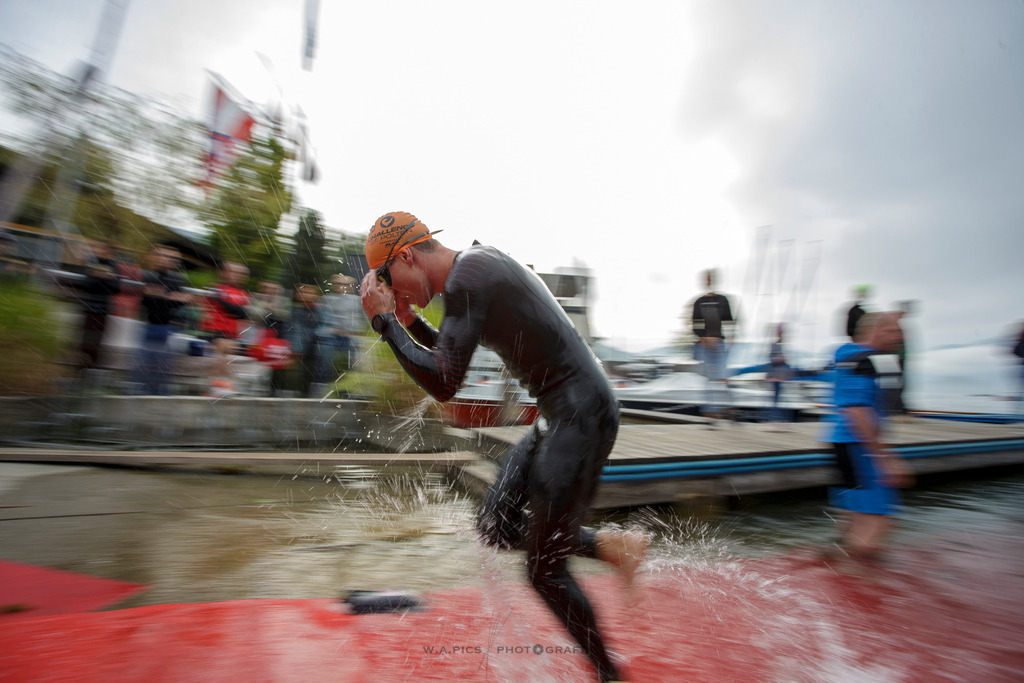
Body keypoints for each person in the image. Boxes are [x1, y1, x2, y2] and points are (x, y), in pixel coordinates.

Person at [359, 211, 645, 683]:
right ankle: (611, 546)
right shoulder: (471, 274)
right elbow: (452, 356)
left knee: (544, 571)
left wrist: (386, 322)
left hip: (582, 416)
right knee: (493, 526)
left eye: (389, 282)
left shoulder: (471, 274)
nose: (395, 294)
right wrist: (407, 322)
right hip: (559, 416)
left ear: (406, 257)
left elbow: (445, 382)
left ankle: (611, 676)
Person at [822, 312, 915, 561]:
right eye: (893, 331)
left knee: (853, 518)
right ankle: (853, 575)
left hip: (840, 443)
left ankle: (836, 566)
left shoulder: (845, 356)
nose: (899, 337)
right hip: (858, 447)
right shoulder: (865, 361)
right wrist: (885, 458)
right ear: (874, 330)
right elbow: (857, 411)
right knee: (877, 522)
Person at [135, 244, 190, 395]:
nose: (166, 260)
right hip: (147, 324)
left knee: (163, 366)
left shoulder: (177, 279)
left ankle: (157, 394)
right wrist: (170, 297)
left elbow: (182, 301)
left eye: (172, 258)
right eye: (163, 256)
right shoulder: (145, 274)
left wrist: (162, 295)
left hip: (168, 327)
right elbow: (147, 297)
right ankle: (141, 392)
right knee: (145, 363)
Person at [691, 268, 736, 424]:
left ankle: (726, 407)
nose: (709, 281)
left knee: (722, 375)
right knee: (709, 379)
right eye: (707, 278)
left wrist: (732, 337)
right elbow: (696, 324)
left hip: (719, 343)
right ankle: (710, 411)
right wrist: (703, 338)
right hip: (704, 345)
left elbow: (728, 320)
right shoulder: (699, 302)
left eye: (711, 278)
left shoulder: (722, 300)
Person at [201, 261, 252, 397]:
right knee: (222, 348)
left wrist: (221, 302)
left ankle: (223, 384)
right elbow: (207, 310)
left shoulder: (243, 294)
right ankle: (218, 385)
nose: (237, 275)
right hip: (213, 331)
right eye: (233, 272)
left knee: (227, 351)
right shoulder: (216, 289)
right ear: (223, 272)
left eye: (241, 273)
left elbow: (240, 313)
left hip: (232, 334)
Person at [74, 240, 121, 375]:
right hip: (89, 307)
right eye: (99, 248)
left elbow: (115, 287)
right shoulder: (90, 263)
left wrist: (98, 276)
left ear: (110, 252)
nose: (101, 251)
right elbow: (85, 283)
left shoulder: (114, 266)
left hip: (102, 309)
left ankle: (90, 370)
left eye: (104, 249)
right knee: (85, 341)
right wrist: (105, 277)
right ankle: (81, 370)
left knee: (96, 342)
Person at [318, 274, 365, 379]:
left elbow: (362, 319)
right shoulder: (326, 300)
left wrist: (357, 332)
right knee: (327, 363)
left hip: (351, 336)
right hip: (331, 336)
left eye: (347, 285)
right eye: (339, 284)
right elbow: (322, 320)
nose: (343, 287)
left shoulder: (358, 301)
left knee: (352, 365)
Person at [288, 284, 325, 398]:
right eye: (303, 292)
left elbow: (322, 325)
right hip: (299, 345)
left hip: (313, 345)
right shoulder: (295, 310)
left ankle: (305, 393)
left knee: (310, 371)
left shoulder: (319, 309)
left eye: (310, 293)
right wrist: (296, 345)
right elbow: (293, 328)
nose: (306, 295)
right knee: (297, 372)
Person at [765, 323, 791, 429]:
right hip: (775, 377)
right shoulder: (775, 345)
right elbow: (773, 361)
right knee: (775, 399)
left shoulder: (780, 345)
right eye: (781, 332)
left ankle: (778, 419)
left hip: (780, 376)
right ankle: (774, 419)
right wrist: (782, 358)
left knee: (779, 398)